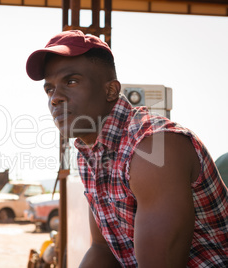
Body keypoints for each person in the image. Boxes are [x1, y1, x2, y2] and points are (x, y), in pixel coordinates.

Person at [25, 30, 228, 267]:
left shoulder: (154, 147)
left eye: (71, 81)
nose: (55, 98)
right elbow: (103, 249)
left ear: (111, 90)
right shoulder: (90, 154)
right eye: (49, 89)